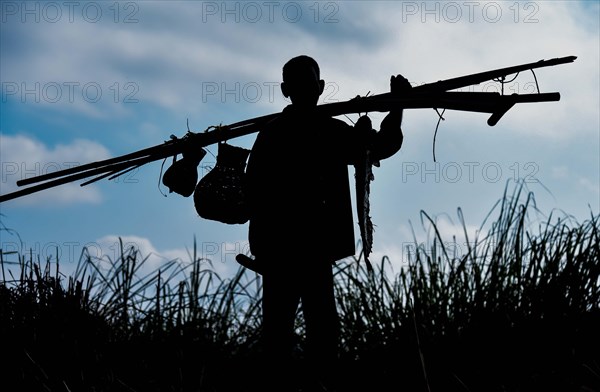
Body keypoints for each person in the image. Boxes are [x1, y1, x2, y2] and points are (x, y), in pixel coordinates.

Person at [244, 55, 410, 389]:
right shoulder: (275, 135)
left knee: (320, 333)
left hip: (313, 252)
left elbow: (379, 146)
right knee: (282, 336)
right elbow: (253, 194)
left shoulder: (329, 132)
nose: (306, 89)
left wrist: (397, 108)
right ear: (286, 90)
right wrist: (397, 108)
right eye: (299, 83)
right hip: (281, 253)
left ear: (319, 87)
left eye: (310, 82)